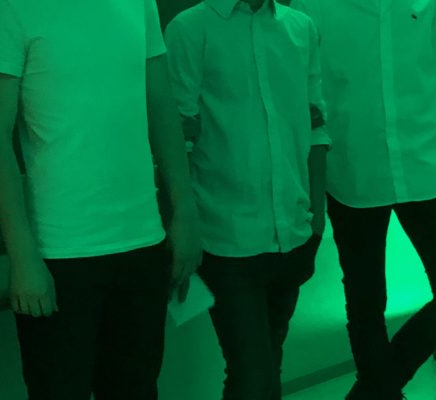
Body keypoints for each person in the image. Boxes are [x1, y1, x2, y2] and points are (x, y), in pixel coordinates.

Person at [0, 0, 201, 398]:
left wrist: (184, 211)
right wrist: (23, 257)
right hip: (60, 253)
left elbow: (162, 106)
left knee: (137, 390)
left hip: (142, 243)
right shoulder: (8, 6)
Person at [289, 0, 436, 398]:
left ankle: (372, 393)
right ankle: (380, 393)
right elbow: (301, 89)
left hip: (425, 166)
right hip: (352, 170)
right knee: (366, 303)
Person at [164, 0, 328, 398]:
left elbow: (316, 125)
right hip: (225, 238)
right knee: (253, 377)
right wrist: (181, 226)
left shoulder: (300, 27)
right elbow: (176, 137)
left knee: (266, 366)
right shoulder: (191, 28)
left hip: (292, 233)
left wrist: (317, 219)